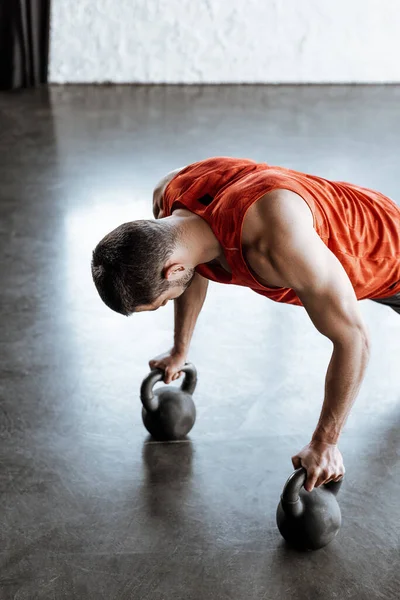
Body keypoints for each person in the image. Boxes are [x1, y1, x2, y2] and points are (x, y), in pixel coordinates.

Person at [91, 157, 400, 492]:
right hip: (346, 216)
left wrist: (325, 443)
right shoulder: (169, 199)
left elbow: (354, 339)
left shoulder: (274, 242)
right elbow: (192, 271)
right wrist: (180, 350)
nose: (167, 302)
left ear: (172, 269)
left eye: (161, 302)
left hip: (387, 252)